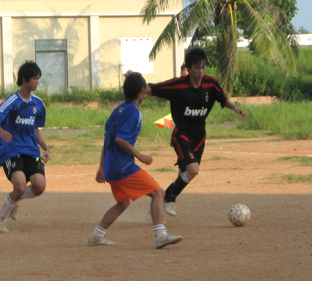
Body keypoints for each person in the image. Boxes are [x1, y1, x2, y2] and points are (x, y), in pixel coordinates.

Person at [145, 47, 247, 216]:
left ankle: (159, 202)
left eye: (203, 67)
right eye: (197, 67)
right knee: (193, 170)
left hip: (199, 135)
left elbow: (223, 99)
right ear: (189, 68)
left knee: (185, 173)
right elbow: (151, 89)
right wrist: (135, 81)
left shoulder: (210, 84)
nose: (201, 71)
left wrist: (235, 108)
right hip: (182, 134)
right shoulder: (178, 85)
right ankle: (169, 199)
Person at [88, 72, 182, 249]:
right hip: (123, 166)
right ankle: (160, 235)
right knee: (158, 193)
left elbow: (108, 139)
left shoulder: (117, 110)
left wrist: (101, 167)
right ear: (141, 91)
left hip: (111, 166)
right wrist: (140, 155)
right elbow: (120, 139)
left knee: (123, 203)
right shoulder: (134, 113)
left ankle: (97, 235)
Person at [0, 60, 51, 234]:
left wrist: (45, 148)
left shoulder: (38, 103)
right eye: (34, 78)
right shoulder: (13, 100)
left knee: (39, 187)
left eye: (38, 78)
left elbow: (35, 130)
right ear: (24, 79)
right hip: (11, 149)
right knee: (20, 186)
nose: (37, 82)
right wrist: (1, 132)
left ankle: (14, 200)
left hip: (31, 149)